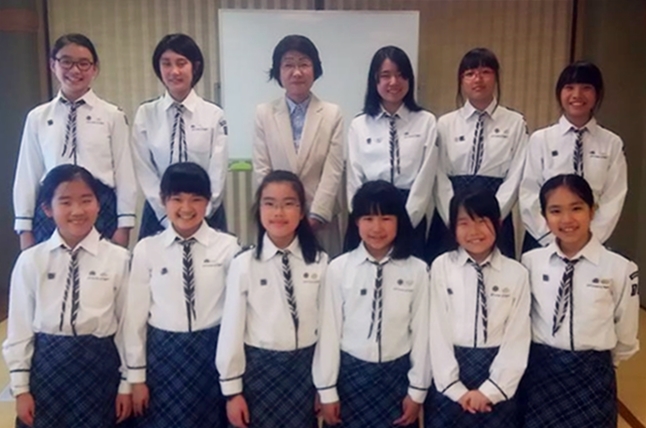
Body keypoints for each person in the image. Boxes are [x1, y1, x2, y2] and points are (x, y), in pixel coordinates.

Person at [3, 164, 132, 427]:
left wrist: (127, 382)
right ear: (47, 209)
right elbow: (19, 329)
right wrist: (21, 388)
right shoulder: (31, 261)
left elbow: (128, 327)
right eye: (65, 202)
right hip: (47, 372)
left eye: (86, 200)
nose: (77, 211)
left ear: (98, 205)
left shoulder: (119, 259)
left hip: (101, 370)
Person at [519, 174, 639, 427]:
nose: (567, 219)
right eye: (555, 211)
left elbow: (626, 331)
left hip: (593, 375)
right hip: (542, 372)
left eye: (576, 208)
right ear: (544, 216)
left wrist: (601, 361)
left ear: (592, 211)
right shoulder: (530, 262)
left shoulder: (620, 267)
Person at [125, 162, 239, 427]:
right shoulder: (146, 249)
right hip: (163, 357)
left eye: (196, 199)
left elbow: (235, 315)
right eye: (177, 199)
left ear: (208, 202)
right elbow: (134, 320)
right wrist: (137, 377)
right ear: (163, 200)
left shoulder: (228, 247)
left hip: (211, 354)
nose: (186, 208)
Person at [315, 180, 431, 428]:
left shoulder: (418, 270)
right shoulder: (338, 269)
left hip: (398, 378)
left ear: (399, 221)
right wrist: (327, 390)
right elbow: (329, 332)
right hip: (350, 378)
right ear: (356, 221)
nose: (377, 228)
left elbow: (422, 334)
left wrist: (417, 390)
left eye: (386, 218)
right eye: (368, 218)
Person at [217, 170, 327, 428]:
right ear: (259, 210)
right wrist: (232, 391)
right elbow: (231, 329)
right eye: (269, 204)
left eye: (288, 204)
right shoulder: (244, 264)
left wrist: (325, 385)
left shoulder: (321, 262)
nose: (278, 212)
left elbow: (327, 330)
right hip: (259, 372)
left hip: (305, 372)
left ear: (302, 212)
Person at [13, 33, 136, 250]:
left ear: (95, 69)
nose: (75, 70)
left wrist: (124, 225)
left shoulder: (112, 115)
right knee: (52, 269)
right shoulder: (38, 117)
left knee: (102, 269)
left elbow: (125, 172)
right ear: (53, 65)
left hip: (100, 205)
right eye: (66, 62)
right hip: (54, 205)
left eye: (83, 63)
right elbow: (27, 174)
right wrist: (24, 228)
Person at [427, 191, 530, 427]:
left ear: (498, 223)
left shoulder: (517, 273)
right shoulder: (441, 267)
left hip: (498, 379)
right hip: (449, 380)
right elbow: (436, 330)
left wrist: (492, 389)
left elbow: (518, 335)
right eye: (464, 223)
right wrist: (454, 388)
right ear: (452, 227)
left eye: (482, 221)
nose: (474, 231)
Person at [428, 47, 528, 261]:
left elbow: (516, 175)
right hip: (451, 213)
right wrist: (455, 218)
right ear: (461, 80)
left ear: (496, 77)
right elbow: (438, 174)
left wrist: (493, 216)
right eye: (470, 73)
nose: (478, 79)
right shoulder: (445, 123)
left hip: (496, 215)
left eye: (485, 72)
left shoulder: (515, 123)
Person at [519, 61, 626, 252]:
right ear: (559, 93)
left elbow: (613, 197)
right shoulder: (541, 139)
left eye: (586, 88)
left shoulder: (611, 143)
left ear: (597, 94)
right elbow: (529, 193)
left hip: (592, 242)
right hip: (544, 241)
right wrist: (553, 239)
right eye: (569, 88)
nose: (577, 95)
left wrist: (589, 240)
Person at [253, 34, 345, 256]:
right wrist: (277, 211)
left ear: (315, 69)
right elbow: (262, 168)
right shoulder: (264, 113)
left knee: (322, 272)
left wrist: (316, 216)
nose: (297, 72)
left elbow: (333, 171)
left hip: (320, 220)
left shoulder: (332, 114)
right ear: (278, 71)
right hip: (278, 219)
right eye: (288, 65)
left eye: (304, 64)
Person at [132, 33, 228, 239]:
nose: (174, 71)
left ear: (195, 67)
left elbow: (217, 171)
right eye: (166, 64)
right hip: (159, 213)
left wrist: (201, 213)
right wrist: (167, 215)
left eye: (181, 63)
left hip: (206, 212)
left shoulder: (214, 114)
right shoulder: (146, 113)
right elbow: (145, 170)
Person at [346, 46, 438, 259]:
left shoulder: (426, 122)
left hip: (411, 213)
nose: (394, 82)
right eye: (385, 75)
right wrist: (364, 219)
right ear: (374, 80)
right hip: (369, 215)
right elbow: (353, 178)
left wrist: (406, 220)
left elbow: (425, 177)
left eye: (400, 75)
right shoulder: (359, 124)